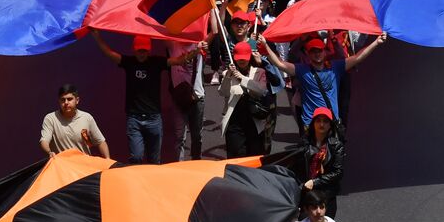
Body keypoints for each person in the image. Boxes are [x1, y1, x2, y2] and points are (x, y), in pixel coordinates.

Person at [90, 31, 198, 164]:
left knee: (154, 160)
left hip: (154, 119)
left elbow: (179, 60)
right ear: (134, 50)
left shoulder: (157, 62)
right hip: (134, 119)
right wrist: (97, 36)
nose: (142, 53)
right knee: (136, 157)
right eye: (139, 50)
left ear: (149, 50)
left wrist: (197, 49)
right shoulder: (129, 62)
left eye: (144, 50)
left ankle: (152, 184)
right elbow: (109, 53)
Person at [263, 33, 384, 135]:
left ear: (325, 52)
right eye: (313, 51)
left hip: (330, 123)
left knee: (331, 161)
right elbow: (280, 64)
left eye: (319, 50)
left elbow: (357, 58)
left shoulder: (335, 67)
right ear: (308, 54)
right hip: (310, 124)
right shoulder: (302, 69)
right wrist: (264, 46)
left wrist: (376, 42)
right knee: (312, 161)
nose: (317, 54)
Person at [218, 40, 270, 158]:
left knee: (254, 158)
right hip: (234, 123)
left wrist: (242, 79)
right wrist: (228, 76)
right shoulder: (228, 73)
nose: (242, 60)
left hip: (254, 122)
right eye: (239, 57)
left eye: (244, 57)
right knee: (235, 158)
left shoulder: (259, 72)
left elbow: (262, 91)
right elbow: (223, 92)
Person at [39, 84, 112, 158]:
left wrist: (108, 161)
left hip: (84, 165)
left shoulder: (87, 117)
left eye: (69, 99)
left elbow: (100, 142)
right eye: (63, 100)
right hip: (62, 166)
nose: (66, 102)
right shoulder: (50, 118)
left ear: (77, 100)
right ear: (59, 101)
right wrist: (49, 152)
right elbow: (44, 141)